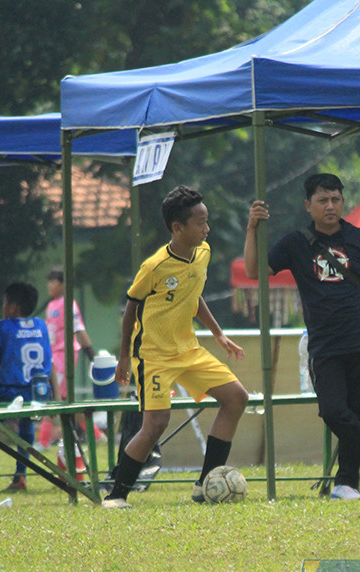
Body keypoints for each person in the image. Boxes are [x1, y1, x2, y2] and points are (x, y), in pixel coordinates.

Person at [245, 173, 360, 501]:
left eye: (336, 199)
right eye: (323, 200)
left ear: (343, 202)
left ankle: (347, 484)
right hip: (323, 343)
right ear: (307, 205)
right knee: (332, 410)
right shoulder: (295, 243)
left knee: (358, 414)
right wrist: (252, 229)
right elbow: (255, 271)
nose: (330, 206)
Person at [102, 185, 249, 509]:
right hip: (153, 356)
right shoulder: (154, 267)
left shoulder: (204, 253)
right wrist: (125, 356)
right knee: (156, 424)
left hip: (188, 350)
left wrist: (219, 335)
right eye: (200, 222)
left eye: (207, 220)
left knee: (236, 397)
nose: (206, 228)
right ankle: (116, 495)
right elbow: (131, 310)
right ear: (177, 228)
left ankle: (206, 484)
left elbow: (193, 296)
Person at [0, 282, 53, 492]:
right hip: (39, 394)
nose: (3, 308)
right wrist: (55, 394)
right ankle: (20, 475)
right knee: (25, 422)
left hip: (11, 393)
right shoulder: (41, 325)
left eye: (4, 304)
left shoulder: (3, 326)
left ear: (12, 307)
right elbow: (52, 364)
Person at [37, 267, 96, 449]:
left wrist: (92, 355)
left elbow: (79, 330)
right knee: (65, 400)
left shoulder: (68, 304)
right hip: (53, 358)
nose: (50, 285)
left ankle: (43, 442)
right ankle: (97, 435)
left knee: (54, 397)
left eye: (54, 281)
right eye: (49, 281)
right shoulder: (51, 305)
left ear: (63, 285)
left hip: (64, 357)